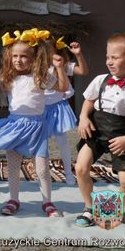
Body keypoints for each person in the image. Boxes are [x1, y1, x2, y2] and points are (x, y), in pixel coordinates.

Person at [0, 28, 68, 217]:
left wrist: (59, 67)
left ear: (33, 58)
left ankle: (47, 202)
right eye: (15, 56)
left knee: (41, 168)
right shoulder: (9, 79)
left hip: (37, 128)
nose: (18, 60)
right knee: (13, 166)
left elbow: (63, 87)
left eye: (24, 56)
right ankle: (14, 199)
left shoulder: (41, 77)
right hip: (15, 127)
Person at [75, 31, 125, 230]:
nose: (109, 61)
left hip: (123, 136)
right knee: (81, 168)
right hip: (96, 132)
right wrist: (83, 118)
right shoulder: (100, 80)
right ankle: (89, 208)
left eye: (115, 57)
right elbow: (89, 100)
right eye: (108, 56)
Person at [43, 38, 89, 185]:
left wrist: (79, 54)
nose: (46, 52)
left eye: (49, 49)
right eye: (43, 50)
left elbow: (83, 71)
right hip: (40, 109)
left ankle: (69, 173)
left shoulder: (62, 64)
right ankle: (43, 173)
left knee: (62, 141)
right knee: (41, 144)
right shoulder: (36, 67)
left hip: (57, 107)